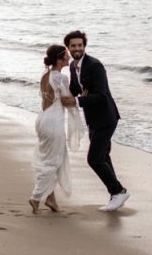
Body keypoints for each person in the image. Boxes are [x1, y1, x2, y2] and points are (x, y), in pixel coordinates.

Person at [61, 30, 129, 212]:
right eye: (73, 46)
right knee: (103, 156)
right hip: (93, 118)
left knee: (94, 159)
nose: (77, 48)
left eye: (80, 45)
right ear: (68, 48)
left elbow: (101, 95)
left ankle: (118, 191)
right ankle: (116, 194)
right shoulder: (73, 67)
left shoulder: (95, 66)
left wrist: (78, 100)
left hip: (106, 118)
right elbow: (75, 89)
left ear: (84, 46)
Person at [30, 44, 83, 214]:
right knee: (52, 161)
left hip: (43, 119)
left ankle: (51, 199)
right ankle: (36, 197)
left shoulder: (45, 75)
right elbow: (68, 100)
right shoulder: (61, 78)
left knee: (51, 157)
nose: (69, 58)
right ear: (60, 60)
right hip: (53, 121)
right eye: (66, 56)